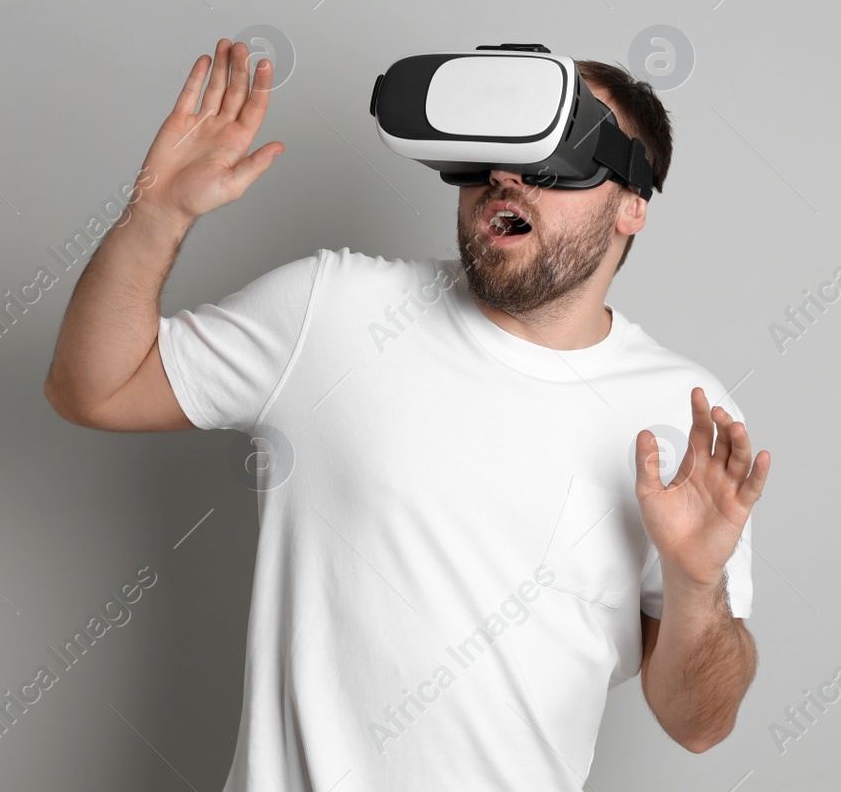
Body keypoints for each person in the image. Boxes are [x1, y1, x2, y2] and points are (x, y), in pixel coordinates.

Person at [44, 38, 771, 790]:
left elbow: (699, 723)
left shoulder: (680, 416)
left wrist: (694, 581)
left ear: (631, 205)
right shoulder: (334, 312)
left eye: (554, 156)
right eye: (489, 148)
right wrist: (158, 211)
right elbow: (93, 386)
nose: (505, 176)